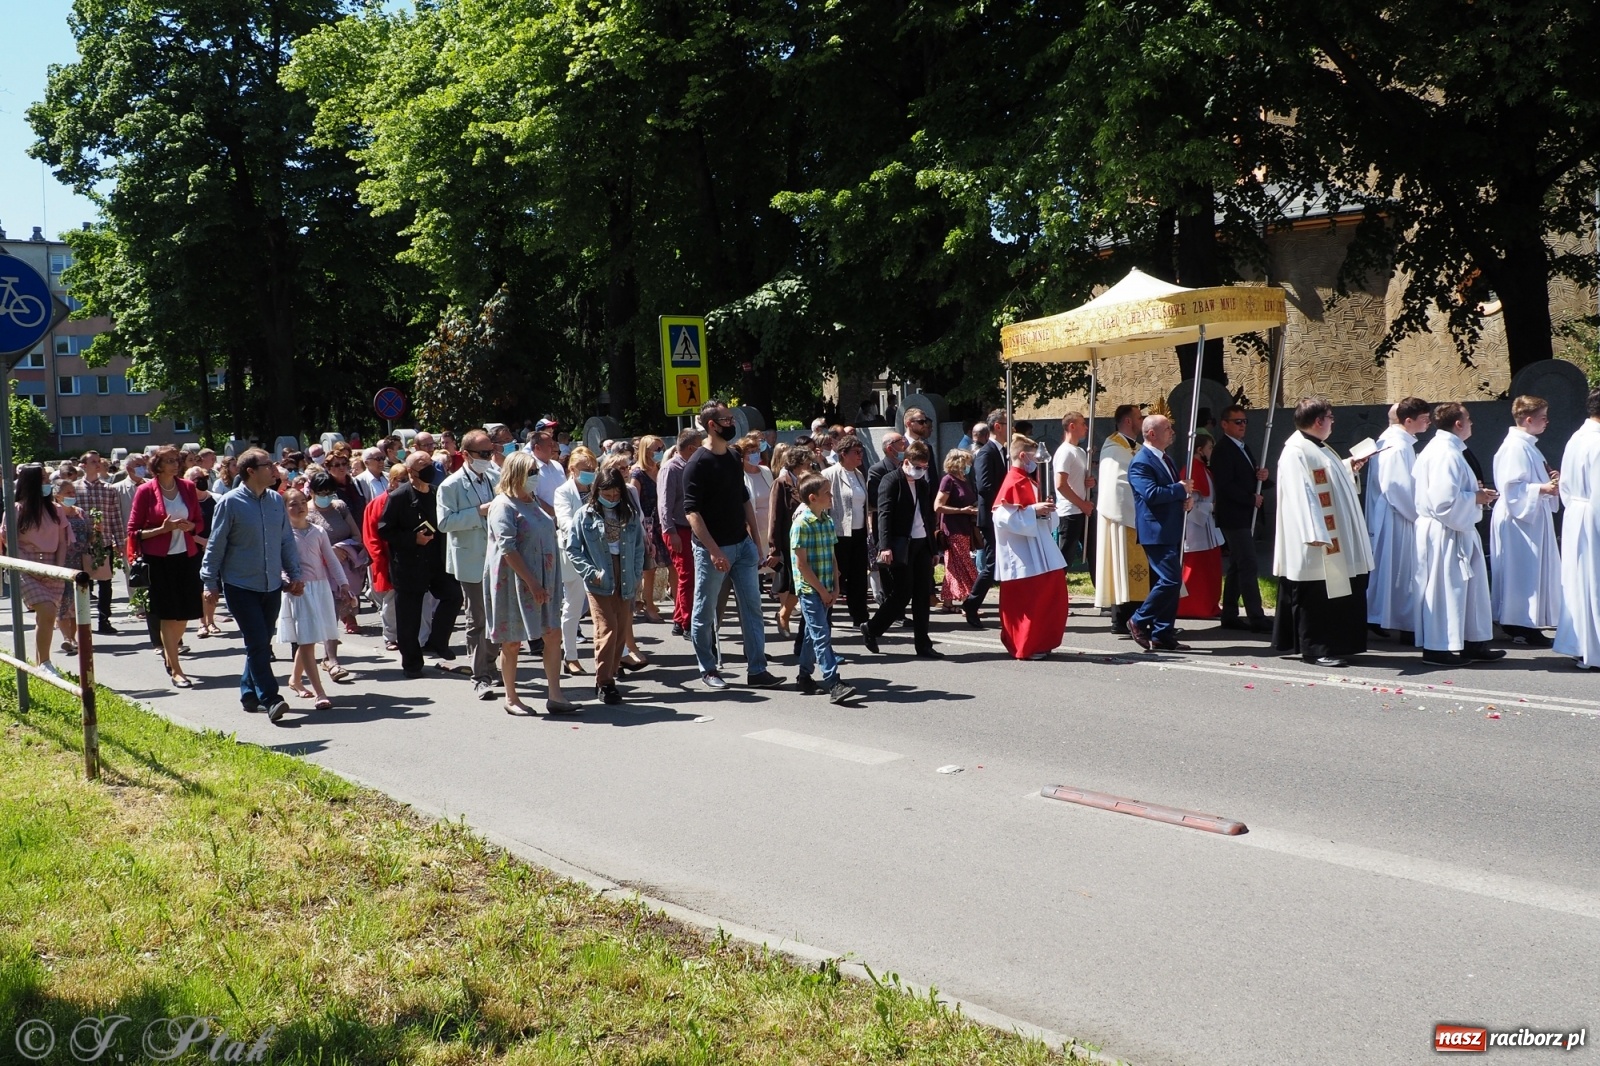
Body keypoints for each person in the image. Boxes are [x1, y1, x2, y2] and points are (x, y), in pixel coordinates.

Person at [684, 400, 783, 690]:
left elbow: (744, 500)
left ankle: (757, 669)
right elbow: (692, 513)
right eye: (727, 419)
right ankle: (708, 667)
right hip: (712, 550)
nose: (732, 423)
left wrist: (757, 541)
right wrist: (714, 551)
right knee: (705, 610)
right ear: (712, 425)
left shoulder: (730, 457)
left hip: (743, 546)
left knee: (752, 607)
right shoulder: (697, 464)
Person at [200, 448, 304, 723]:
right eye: (268, 465)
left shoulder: (275, 501)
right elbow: (216, 543)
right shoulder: (230, 503)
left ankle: (249, 694)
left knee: (259, 642)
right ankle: (271, 698)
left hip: (271, 585)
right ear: (251, 471)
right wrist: (209, 582)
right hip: (240, 585)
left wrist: (294, 574)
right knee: (258, 641)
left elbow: (285, 541)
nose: (274, 469)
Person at [1272, 398, 1375, 667]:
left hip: (1331, 537)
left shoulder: (1317, 447)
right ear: (1319, 421)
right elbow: (1301, 494)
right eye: (1330, 417)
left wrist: (1349, 467)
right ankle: (1314, 648)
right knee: (1315, 595)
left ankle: (1334, 643)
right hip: (1316, 540)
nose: (1332, 422)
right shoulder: (1295, 451)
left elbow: (1324, 478)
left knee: (1334, 593)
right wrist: (1315, 531)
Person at [485, 452, 577, 715]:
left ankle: (555, 695)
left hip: (544, 578)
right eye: (531, 472)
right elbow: (507, 548)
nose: (536, 477)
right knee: (512, 641)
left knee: (552, 634)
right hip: (515, 581)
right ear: (516, 475)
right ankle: (511, 698)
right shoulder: (503, 505)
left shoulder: (532, 500)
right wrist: (533, 583)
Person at [1413, 402, 1503, 665]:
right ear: (1458, 424)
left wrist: (1476, 498)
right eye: (1469, 419)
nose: (1472, 423)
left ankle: (1471, 641)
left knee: (1469, 591)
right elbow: (1443, 502)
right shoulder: (1445, 454)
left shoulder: (1448, 449)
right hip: (1446, 530)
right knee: (1445, 590)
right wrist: (1476, 497)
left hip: (1458, 528)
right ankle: (1438, 648)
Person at [564, 463, 646, 704]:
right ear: (597, 491)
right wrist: (590, 572)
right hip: (599, 577)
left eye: (616, 494)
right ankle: (604, 681)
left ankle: (610, 673)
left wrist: (636, 572)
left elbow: (639, 547)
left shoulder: (628, 514)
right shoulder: (584, 514)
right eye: (606, 495)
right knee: (606, 628)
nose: (612, 499)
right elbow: (574, 549)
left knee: (621, 628)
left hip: (626, 574)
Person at [378, 448, 464, 678]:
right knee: (409, 618)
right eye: (422, 465)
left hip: (437, 561)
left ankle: (437, 641)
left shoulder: (437, 493)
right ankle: (412, 663)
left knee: (453, 595)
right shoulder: (398, 497)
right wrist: (412, 538)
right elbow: (385, 530)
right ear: (410, 471)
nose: (428, 469)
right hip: (409, 564)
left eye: (430, 464)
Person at [128, 446, 204, 688]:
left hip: (186, 556)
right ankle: (176, 668)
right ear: (157, 466)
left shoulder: (188, 487)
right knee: (168, 614)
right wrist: (162, 530)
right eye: (169, 461)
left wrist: (189, 526)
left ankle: (171, 655)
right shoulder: (145, 491)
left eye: (176, 460)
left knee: (185, 614)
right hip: (158, 560)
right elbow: (133, 531)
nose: (175, 464)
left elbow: (199, 522)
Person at [1491, 396, 1561, 646]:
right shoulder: (1515, 447)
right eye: (1543, 417)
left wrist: (1551, 481)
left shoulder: (1528, 444)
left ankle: (1527, 621)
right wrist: (1542, 488)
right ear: (1529, 419)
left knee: (1529, 570)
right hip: (1518, 519)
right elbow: (1512, 487)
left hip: (1530, 517)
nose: (1547, 422)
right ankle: (1518, 622)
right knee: (1521, 571)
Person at [437, 430, 502, 699]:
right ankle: (481, 676)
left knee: (497, 618)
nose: (489, 458)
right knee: (477, 619)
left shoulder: (496, 477)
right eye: (483, 454)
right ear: (465, 454)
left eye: (491, 452)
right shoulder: (450, 485)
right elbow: (444, 523)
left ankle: (490, 663)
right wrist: (478, 512)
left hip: (498, 557)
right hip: (471, 559)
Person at [862, 440, 941, 658]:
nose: (921, 472)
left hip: (921, 544)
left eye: (924, 468)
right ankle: (872, 628)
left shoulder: (923, 484)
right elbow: (884, 514)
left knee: (922, 594)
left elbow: (928, 517)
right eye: (917, 467)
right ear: (906, 462)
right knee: (902, 593)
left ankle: (923, 645)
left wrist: (934, 549)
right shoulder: (891, 481)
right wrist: (884, 546)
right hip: (900, 545)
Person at [993, 435, 1068, 659]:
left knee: (1051, 597)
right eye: (1034, 458)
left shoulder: (1030, 480)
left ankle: (1042, 641)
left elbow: (1038, 515)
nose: (1037, 462)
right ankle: (1026, 645)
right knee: (1030, 601)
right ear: (1023, 455)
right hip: (1023, 555)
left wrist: (1045, 510)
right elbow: (1001, 518)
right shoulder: (1013, 481)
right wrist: (1033, 511)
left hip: (1040, 549)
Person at [1126, 416, 1194, 652]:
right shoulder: (1141, 462)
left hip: (1170, 528)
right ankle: (1139, 619)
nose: (1172, 432)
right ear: (1152, 434)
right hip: (1154, 530)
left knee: (1169, 583)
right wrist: (1180, 489)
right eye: (1167, 428)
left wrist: (1185, 500)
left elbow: (1172, 492)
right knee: (1171, 580)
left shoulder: (1166, 458)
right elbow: (1152, 494)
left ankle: (1162, 633)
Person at [277, 489, 348, 712]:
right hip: (299, 591)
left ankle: (295, 680)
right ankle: (320, 692)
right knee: (306, 642)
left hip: (321, 588)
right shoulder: (282, 534)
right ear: (284, 508)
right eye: (292, 504)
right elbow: (278, 565)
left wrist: (344, 584)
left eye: (302, 502)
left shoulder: (318, 531)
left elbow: (331, 560)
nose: (299, 507)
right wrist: (287, 582)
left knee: (310, 639)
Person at [1366, 397, 1431, 639]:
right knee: (1401, 571)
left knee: (1394, 571)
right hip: (1399, 515)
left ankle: (1386, 616)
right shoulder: (1398, 445)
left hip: (1395, 513)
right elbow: (1397, 486)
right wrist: (1419, 513)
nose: (1428, 423)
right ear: (1408, 420)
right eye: (1424, 419)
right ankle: (1397, 621)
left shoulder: (1395, 441)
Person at [790, 473, 857, 703]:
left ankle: (804, 676)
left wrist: (836, 587)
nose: (831, 496)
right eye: (827, 493)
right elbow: (801, 565)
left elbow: (833, 556)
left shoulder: (827, 521)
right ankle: (833, 681)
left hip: (827, 587)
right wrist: (821, 590)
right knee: (821, 635)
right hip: (810, 590)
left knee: (812, 634)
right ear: (812, 497)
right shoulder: (801, 524)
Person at [1, 465, 72, 676]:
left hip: (52, 566)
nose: (48, 483)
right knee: (47, 610)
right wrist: (27, 566)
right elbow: (8, 542)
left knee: (46, 618)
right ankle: (46, 662)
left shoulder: (56, 510)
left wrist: (57, 569)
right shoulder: (15, 510)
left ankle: (41, 662)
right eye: (43, 479)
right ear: (31, 482)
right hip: (25, 566)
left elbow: (62, 542)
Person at [1210, 404, 1270, 631]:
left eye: (1244, 421)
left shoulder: (1243, 447)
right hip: (1234, 515)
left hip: (1245, 514)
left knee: (1236, 565)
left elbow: (1249, 478)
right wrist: (1249, 498)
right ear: (1225, 424)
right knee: (1248, 563)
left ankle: (1230, 613)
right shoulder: (1223, 449)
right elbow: (1225, 485)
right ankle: (1256, 616)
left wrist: (1262, 476)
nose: (1242, 425)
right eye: (1237, 422)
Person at [1095, 405, 1150, 636]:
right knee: (1122, 567)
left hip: (1136, 515)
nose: (1142, 420)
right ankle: (1122, 619)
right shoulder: (1113, 447)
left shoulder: (1134, 447)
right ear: (1128, 421)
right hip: (1122, 517)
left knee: (1134, 570)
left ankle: (1135, 618)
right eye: (1139, 417)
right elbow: (1117, 483)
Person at [307, 471, 364, 668]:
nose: (326, 497)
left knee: (337, 611)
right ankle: (331, 659)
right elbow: (304, 545)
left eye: (330, 492)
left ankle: (327, 657)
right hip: (319, 572)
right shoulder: (305, 512)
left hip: (344, 571)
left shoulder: (340, 507)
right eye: (321, 492)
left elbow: (357, 536)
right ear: (312, 492)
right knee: (328, 613)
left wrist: (342, 548)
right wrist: (329, 552)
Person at [961, 409, 1008, 628]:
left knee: (999, 562)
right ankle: (971, 604)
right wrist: (1007, 499)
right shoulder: (986, 453)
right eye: (1009, 423)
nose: (1012, 428)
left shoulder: (1000, 451)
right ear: (998, 426)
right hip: (991, 516)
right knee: (991, 563)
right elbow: (984, 486)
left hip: (1001, 515)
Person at [554, 447, 598, 675]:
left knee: (606, 607)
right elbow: (565, 521)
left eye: (593, 469)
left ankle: (615, 655)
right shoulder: (563, 492)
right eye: (585, 469)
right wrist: (591, 531)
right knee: (573, 606)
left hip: (599, 554)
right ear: (572, 469)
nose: (590, 473)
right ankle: (570, 656)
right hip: (574, 554)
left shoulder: (597, 489)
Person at [821, 435, 871, 630]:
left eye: (861, 452)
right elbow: (824, 507)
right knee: (836, 576)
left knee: (859, 576)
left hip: (858, 533)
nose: (860, 456)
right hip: (838, 534)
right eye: (856, 452)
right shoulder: (829, 474)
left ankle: (860, 616)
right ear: (843, 454)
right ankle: (826, 615)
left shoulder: (859, 474)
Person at [765, 445, 815, 637]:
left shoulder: (807, 481)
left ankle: (788, 616)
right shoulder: (781, 483)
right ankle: (785, 614)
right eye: (807, 463)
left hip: (808, 540)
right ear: (796, 465)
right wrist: (774, 548)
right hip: (789, 543)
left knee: (802, 582)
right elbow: (775, 517)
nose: (810, 466)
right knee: (796, 582)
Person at [658, 428, 702, 636]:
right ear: (691, 448)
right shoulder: (671, 468)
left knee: (690, 575)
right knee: (688, 576)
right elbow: (664, 504)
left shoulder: (692, 466)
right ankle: (687, 623)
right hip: (678, 529)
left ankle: (678, 618)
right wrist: (670, 531)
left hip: (691, 528)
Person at [73, 451, 121, 635]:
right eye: (93, 461)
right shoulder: (75, 489)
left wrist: (120, 541)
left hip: (104, 542)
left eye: (99, 461)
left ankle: (104, 619)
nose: (97, 464)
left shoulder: (109, 489)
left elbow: (115, 516)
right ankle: (82, 622)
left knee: (105, 582)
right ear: (83, 466)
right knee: (82, 583)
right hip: (81, 544)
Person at [1177, 431, 1224, 619]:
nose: (1212, 451)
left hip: (1206, 526)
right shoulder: (1191, 469)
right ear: (1199, 450)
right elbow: (1190, 502)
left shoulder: (1204, 469)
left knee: (1210, 568)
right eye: (1210, 448)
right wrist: (1210, 507)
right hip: (1195, 527)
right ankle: (1191, 607)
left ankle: (1210, 605)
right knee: (1195, 569)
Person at [363, 463, 406, 651]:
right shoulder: (378, 503)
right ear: (393, 481)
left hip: (410, 555)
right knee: (390, 600)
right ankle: (391, 636)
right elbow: (371, 535)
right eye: (402, 480)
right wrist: (379, 559)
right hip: (387, 558)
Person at [864, 430, 908, 609]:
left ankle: (897, 609)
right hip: (887, 528)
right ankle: (891, 611)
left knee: (903, 576)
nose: (905, 443)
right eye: (901, 441)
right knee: (889, 575)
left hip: (906, 529)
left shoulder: (906, 467)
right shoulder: (878, 470)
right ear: (890, 448)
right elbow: (874, 502)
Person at [935, 448, 980, 611]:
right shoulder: (948, 480)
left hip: (965, 527)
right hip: (953, 529)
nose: (968, 466)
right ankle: (969, 599)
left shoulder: (963, 480)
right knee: (965, 565)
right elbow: (938, 506)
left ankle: (947, 602)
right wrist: (963, 511)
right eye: (966, 463)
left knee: (952, 566)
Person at [632, 435, 669, 624]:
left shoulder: (660, 469)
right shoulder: (637, 474)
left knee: (670, 565)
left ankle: (674, 602)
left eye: (661, 448)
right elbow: (634, 502)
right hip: (646, 524)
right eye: (656, 448)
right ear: (646, 451)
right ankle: (648, 604)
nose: (660, 452)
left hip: (662, 523)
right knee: (650, 568)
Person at [1052, 412, 1094, 567]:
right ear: (1072, 426)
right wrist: (1082, 504)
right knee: (1065, 556)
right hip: (1070, 512)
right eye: (1082, 423)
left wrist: (1089, 482)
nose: (1086, 427)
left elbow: (1077, 480)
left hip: (1082, 510)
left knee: (1093, 552)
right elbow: (1061, 485)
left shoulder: (1080, 452)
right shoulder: (1065, 452)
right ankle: (1054, 588)